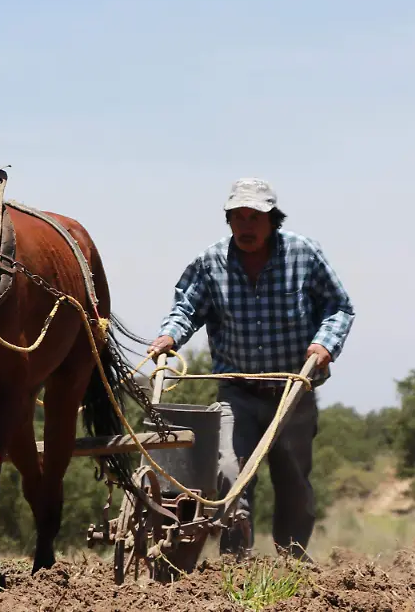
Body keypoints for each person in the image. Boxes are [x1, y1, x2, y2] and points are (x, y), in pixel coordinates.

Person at [146, 177, 355, 560]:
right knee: (228, 471)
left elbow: (339, 307)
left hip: (293, 390)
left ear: (272, 219)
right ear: (227, 220)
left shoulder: (303, 254)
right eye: (237, 217)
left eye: (254, 217)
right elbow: (186, 310)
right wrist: (169, 338)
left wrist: (326, 344)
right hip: (236, 391)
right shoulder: (211, 262)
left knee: (293, 483)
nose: (245, 226)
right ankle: (235, 561)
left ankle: (291, 560)